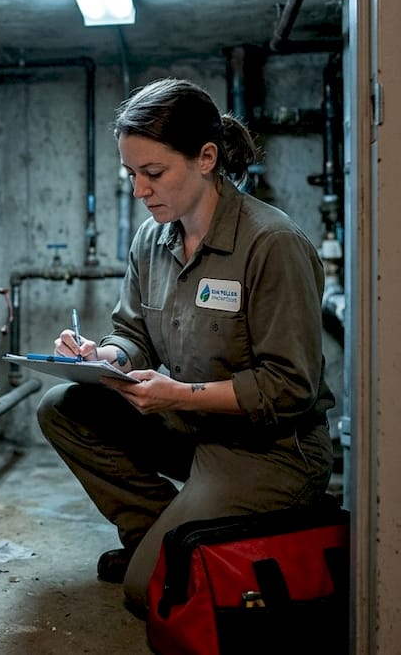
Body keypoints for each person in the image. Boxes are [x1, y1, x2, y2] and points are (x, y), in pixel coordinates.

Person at [36, 78, 335, 618]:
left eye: (153, 173)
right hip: (194, 429)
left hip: (268, 451)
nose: (139, 190)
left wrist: (178, 395)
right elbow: (132, 334)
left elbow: (290, 388)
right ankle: (156, 535)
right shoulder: (152, 240)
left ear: (206, 158)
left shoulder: (272, 244)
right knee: (63, 408)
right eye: (131, 174)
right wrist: (101, 357)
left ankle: (170, 548)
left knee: (147, 593)